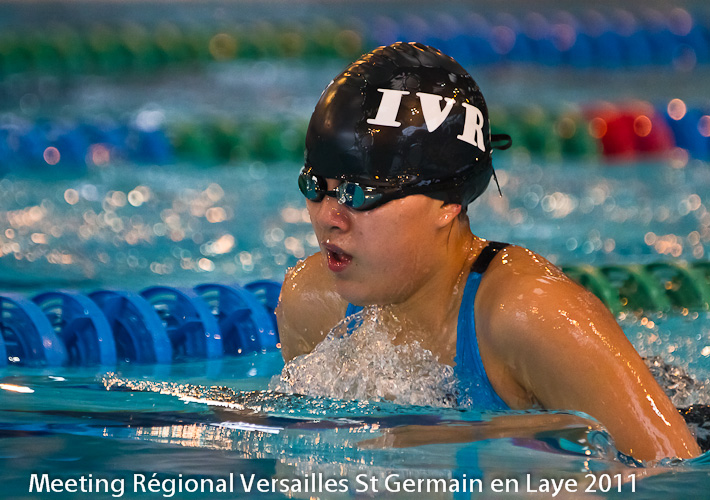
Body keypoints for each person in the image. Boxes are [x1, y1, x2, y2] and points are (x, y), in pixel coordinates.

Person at [275, 41, 700, 461]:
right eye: (316, 186)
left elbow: (673, 475)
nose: (329, 216)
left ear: (446, 201)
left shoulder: (531, 315)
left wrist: (480, 437)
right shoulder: (313, 303)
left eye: (360, 193)